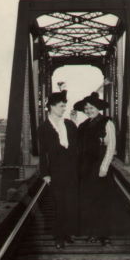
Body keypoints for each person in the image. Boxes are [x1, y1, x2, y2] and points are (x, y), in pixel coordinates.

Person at [73, 92, 116, 246]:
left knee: (102, 201)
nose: (89, 110)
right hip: (85, 167)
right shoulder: (83, 125)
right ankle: (92, 232)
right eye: (86, 108)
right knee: (88, 200)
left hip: (99, 166)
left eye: (91, 107)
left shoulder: (107, 123)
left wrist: (104, 167)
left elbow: (111, 147)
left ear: (98, 108)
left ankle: (104, 234)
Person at [38, 90, 79, 249]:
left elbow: (76, 146)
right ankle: (58, 237)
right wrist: (45, 173)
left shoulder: (68, 124)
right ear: (52, 107)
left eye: (65, 106)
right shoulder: (43, 128)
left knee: (69, 203)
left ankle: (66, 233)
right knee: (57, 205)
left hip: (71, 170)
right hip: (55, 172)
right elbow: (42, 153)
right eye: (62, 106)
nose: (64, 109)